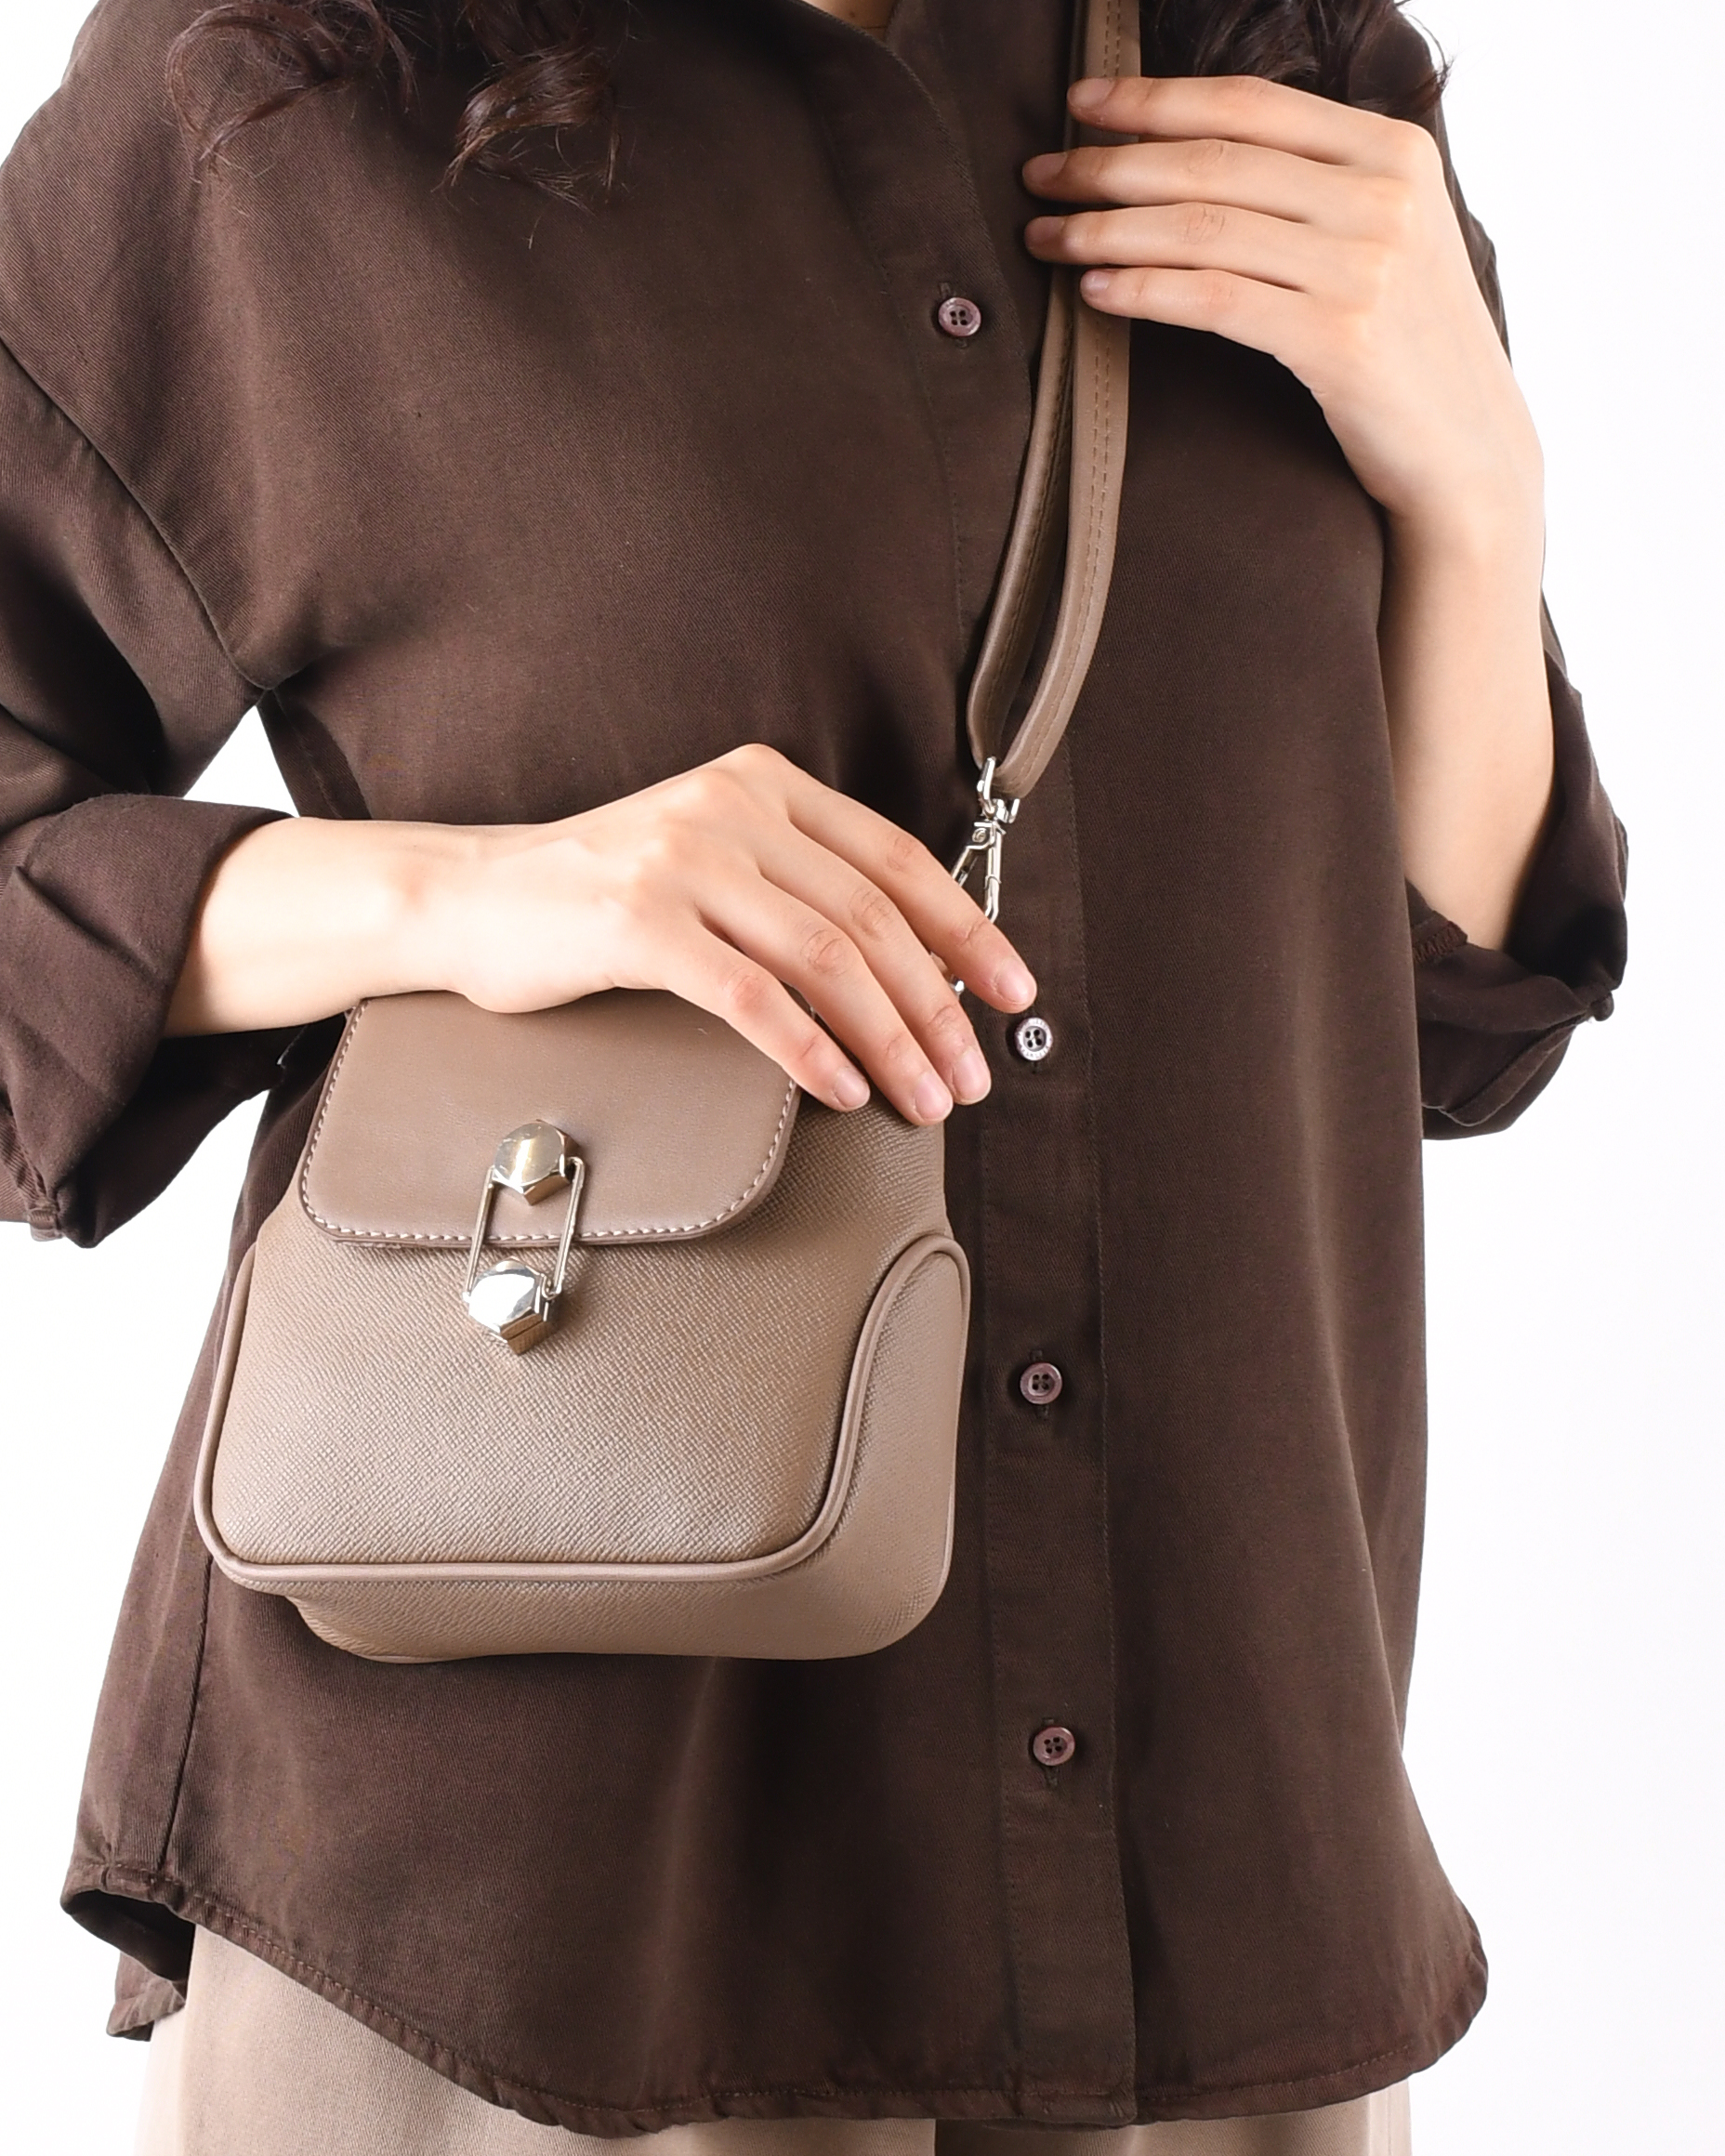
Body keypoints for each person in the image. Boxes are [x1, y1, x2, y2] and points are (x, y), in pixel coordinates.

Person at [0, 0, 1626, 2149]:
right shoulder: (282, 83)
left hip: (1203, 1886)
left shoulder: (1284, 73)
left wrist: (1475, 483)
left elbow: (1442, 1016)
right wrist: (480, 895)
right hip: (528, 1922)